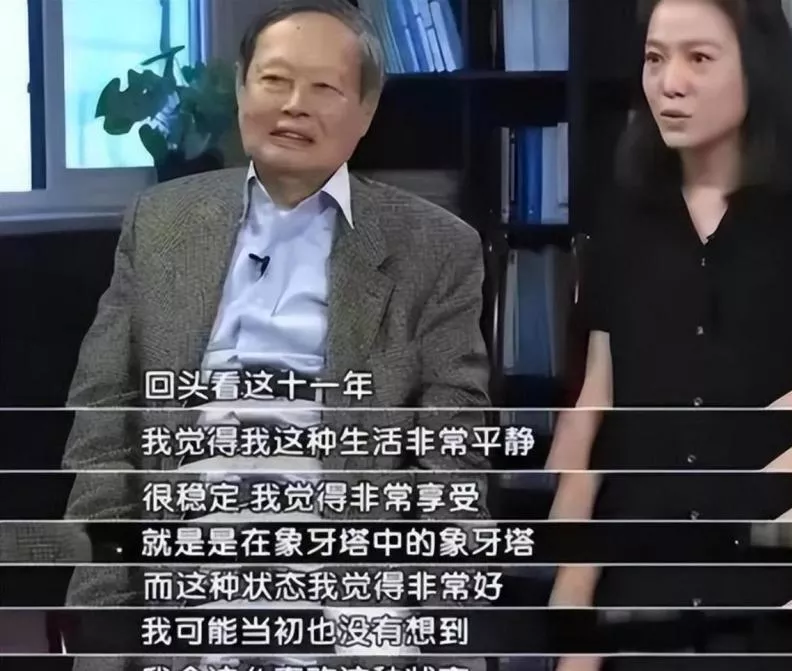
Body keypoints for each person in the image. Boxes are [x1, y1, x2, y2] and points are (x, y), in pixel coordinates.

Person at [46, 1, 490, 669]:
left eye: (325, 88)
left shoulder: (435, 248)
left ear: (367, 111)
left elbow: (452, 462)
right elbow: (104, 432)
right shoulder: (161, 223)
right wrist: (107, 629)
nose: (294, 106)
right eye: (275, 80)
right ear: (241, 88)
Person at [546, 0, 792, 670]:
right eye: (655, 59)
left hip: (768, 593)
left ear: (757, 68)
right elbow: (595, 416)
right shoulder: (622, 217)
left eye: (699, 58)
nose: (669, 83)